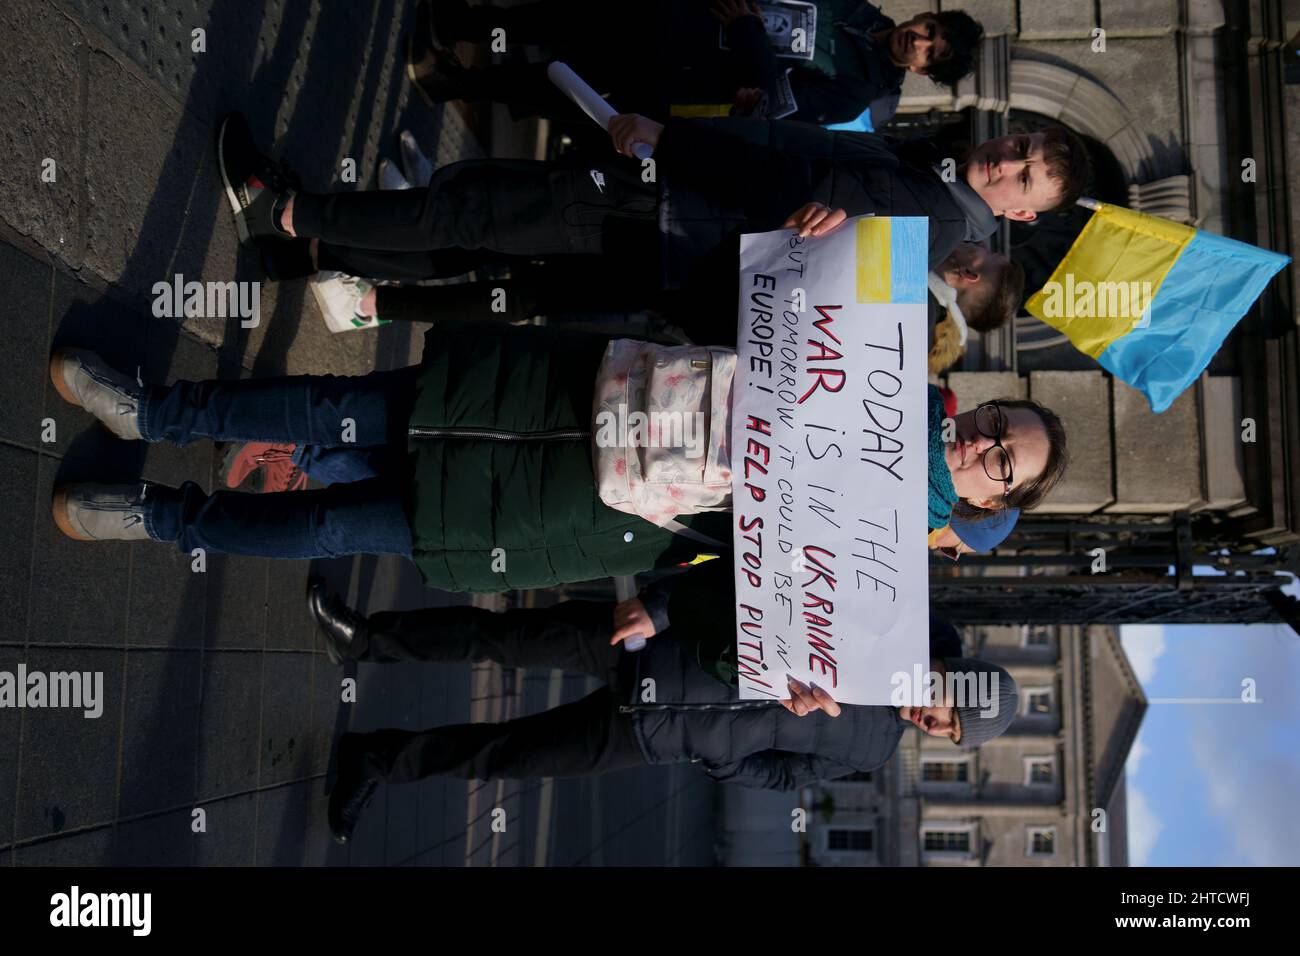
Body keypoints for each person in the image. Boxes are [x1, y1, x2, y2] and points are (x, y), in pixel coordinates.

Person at [46, 319, 1067, 590]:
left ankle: (158, 518)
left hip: (559, 507)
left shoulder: (870, 562)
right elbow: (722, 269)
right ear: (980, 404)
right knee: (331, 406)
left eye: (999, 464)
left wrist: (790, 678)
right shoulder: (873, 334)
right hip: (562, 389)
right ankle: (153, 413)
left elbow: (728, 600)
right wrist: (810, 227)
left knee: (327, 522)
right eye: (997, 424)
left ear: (985, 497)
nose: (982, 444)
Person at [308, 557, 1018, 843]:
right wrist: (666, 606)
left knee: (505, 754)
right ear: (952, 670)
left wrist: (720, 755)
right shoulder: (880, 616)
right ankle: (363, 639)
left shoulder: (869, 748)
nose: (934, 720)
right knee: (501, 637)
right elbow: (764, 575)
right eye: (950, 705)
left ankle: (374, 762)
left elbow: (785, 775)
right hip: (662, 646)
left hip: (651, 738)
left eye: (947, 731)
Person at [406, 0, 983, 129]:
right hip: (684, 15)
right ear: (926, 16)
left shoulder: (861, 90)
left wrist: (748, 30)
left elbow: (782, 100)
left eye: (932, 52)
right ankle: (464, 25)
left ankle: (456, 82)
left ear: (926, 73)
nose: (920, 41)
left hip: (691, 74)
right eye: (930, 30)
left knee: (566, 81)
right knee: (570, 17)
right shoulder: (856, 8)